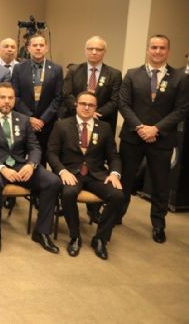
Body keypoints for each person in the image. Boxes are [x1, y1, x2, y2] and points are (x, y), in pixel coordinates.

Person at [0, 82, 61, 253]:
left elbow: (34, 147)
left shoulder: (23, 119)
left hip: (20, 165)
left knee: (52, 181)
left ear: (15, 100)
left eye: (10, 98)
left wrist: (31, 164)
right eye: (3, 97)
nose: (7, 101)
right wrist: (1, 168)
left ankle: (42, 232)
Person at [118, 34, 188, 243]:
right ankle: (116, 214)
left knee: (160, 183)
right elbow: (123, 104)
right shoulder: (132, 74)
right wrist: (140, 127)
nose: (158, 51)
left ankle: (158, 224)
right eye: (154, 47)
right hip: (133, 137)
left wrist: (155, 129)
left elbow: (182, 109)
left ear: (168, 51)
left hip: (162, 139)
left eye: (162, 48)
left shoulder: (180, 78)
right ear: (147, 49)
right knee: (125, 179)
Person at [47, 91, 124, 259]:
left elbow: (114, 156)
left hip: (96, 174)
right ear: (76, 105)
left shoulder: (105, 128)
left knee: (118, 195)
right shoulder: (61, 125)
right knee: (68, 193)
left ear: (95, 108)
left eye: (91, 105)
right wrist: (62, 171)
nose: (86, 107)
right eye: (83, 104)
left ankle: (100, 238)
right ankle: (75, 237)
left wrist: (114, 174)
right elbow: (51, 153)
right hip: (71, 173)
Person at [11, 33, 63, 163]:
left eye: (41, 45)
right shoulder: (18, 68)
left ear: (46, 48)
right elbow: (16, 96)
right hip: (23, 121)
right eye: (34, 45)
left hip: (46, 123)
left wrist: (42, 120)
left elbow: (58, 97)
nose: (38, 48)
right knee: (20, 158)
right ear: (28, 48)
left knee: (42, 158)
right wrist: (30, 118)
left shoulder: (56, 69)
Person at [63, 36, 122, 134]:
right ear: (85, 50)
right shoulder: (73, 70)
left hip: (102, 121)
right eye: (90, 49)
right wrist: (81, 110)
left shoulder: (114, 74)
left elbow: (114, 100)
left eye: (98, 49)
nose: (94, 52)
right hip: (75, 120)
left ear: (104, 52)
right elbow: (67, 94)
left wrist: (93, 113)